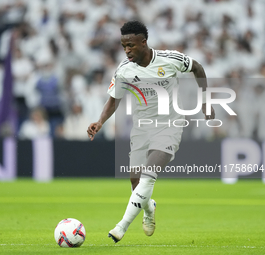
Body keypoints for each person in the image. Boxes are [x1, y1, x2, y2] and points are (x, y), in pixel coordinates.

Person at [87, 20, 215, 243]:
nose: (126, 50)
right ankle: (149, 208)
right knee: (136, 182)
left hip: (169, 125)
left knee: (148, 176)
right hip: (142, 128)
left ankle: (120, 227)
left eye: (131, 45)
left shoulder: (171, 59)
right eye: (123, 45)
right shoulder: (124, 70)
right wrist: (100, 122)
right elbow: (113, 100)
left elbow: (198, 68)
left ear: (144, 42)